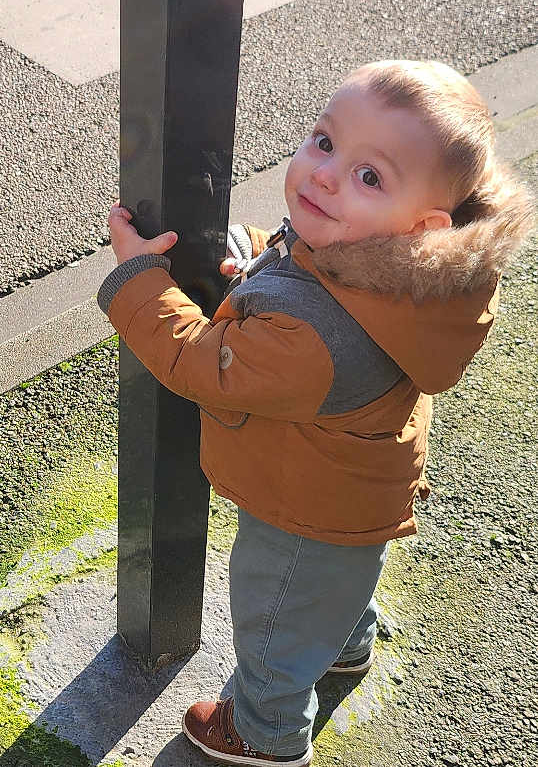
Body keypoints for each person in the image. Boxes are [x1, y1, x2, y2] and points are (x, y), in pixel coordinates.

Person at [96, 60, 534, 766]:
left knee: (275, 615)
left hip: (307, 507)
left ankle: (264, 731)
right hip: (353, 490)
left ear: (421, 225)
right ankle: (344, 645)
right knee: (331, 589)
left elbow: (204, 363)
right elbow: (296, 260)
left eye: (370, 176)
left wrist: (138, 280)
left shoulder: (320, 334)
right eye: (325, 142)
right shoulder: (398, 266)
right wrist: (250, 256)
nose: (325, 175)